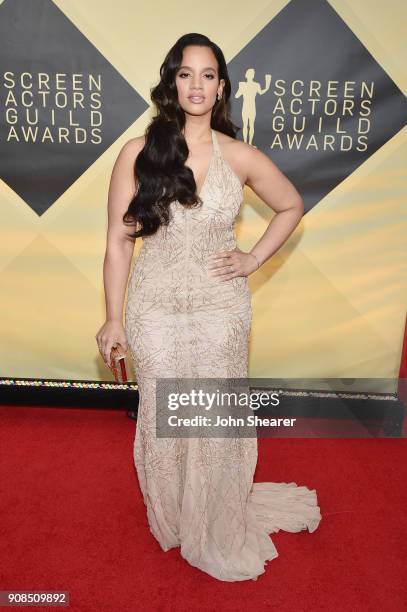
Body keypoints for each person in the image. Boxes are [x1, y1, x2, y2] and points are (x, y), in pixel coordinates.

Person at [95, 33, 321, 582]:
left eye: (209, 75)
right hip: (155, 308)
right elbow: (117, 242)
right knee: (165, 415)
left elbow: (291, 204)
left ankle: (213, 514)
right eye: (186, 74)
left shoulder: (238, 156)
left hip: (221, 308)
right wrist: (113, 317)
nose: (197, 85)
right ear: (172, 81)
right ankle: (175, 512)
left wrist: (254, 258)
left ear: (222, 87)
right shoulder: (137, 152)